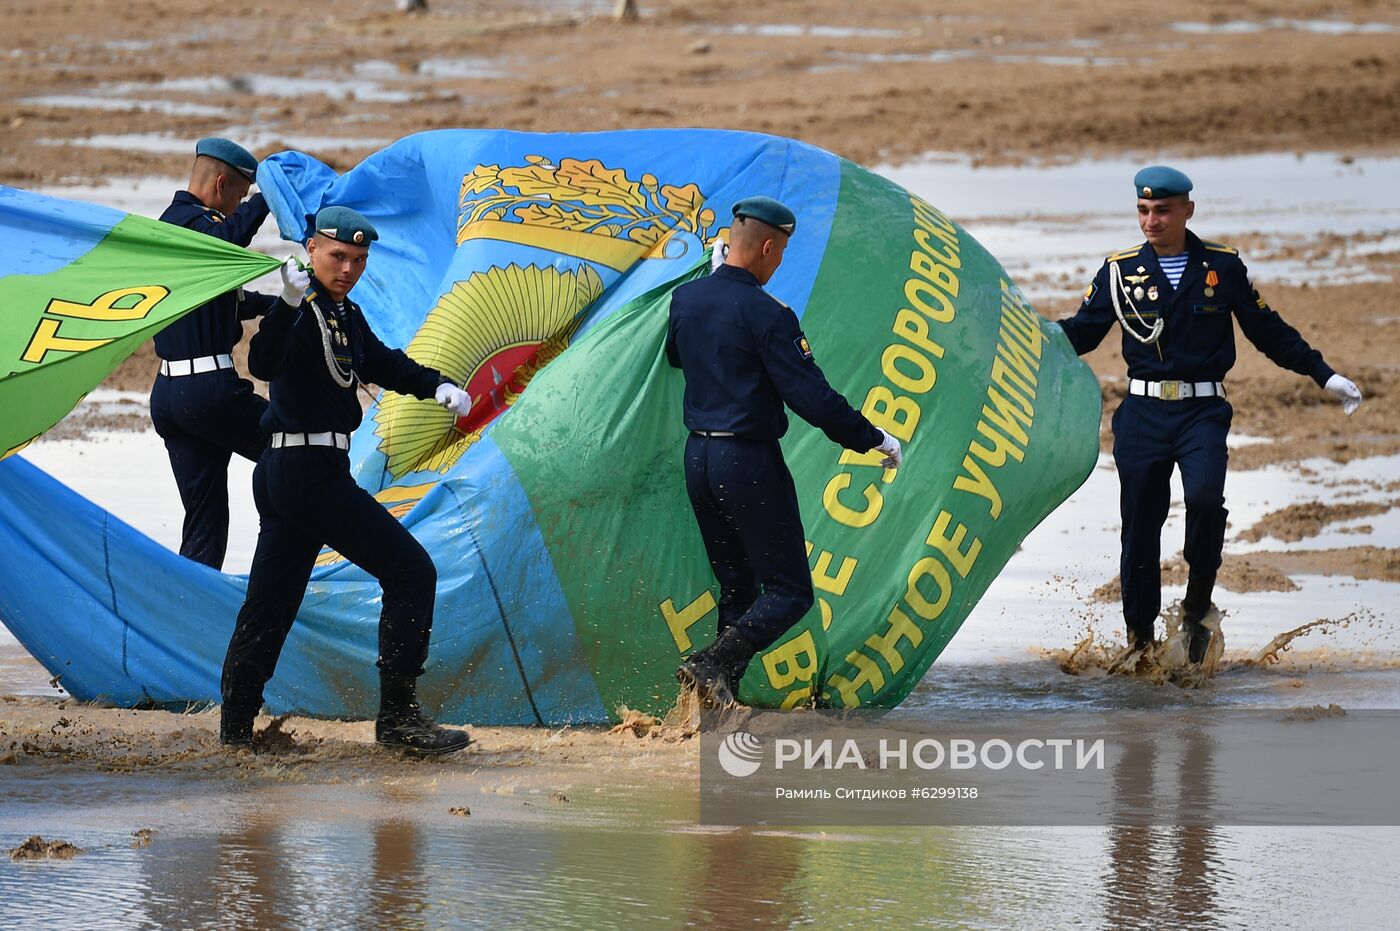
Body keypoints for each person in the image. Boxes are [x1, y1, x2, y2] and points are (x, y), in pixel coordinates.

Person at [1057, 166, 1363, 662]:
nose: (1151, 221)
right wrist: (1025, 337)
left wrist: (1322, 373)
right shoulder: (1119, 272)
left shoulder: (1222, 267)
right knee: (1139, 527)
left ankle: (1197, 609)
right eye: (1143, 210)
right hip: (1141, 413)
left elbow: (1267, 329)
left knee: (1203, 500)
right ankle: (1140, 643)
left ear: (1187, 211)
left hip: (1202, 412)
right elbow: (1081, 333)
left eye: (1162, 210)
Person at [219, 206, 475, 754]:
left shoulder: (344, 314)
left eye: (359, 260)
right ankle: (399, 720)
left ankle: (235, 732)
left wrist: (437, 386)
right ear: (311, 249)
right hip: (305, 472)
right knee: (411, 572)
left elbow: (382, 362)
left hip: (300, 474)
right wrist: (285, 303)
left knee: (271, 603)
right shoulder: (298, 308)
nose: (348, 268)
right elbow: (263, 363)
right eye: (338, 256)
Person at [666, 196, 902, 706]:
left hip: (698, 459)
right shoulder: (769, 314)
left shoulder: (686, 299)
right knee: (790, 592)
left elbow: (676, 357)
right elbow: (812, 398)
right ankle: (711, 664)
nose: (779, 263)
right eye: (782, 253)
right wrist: (873, 438)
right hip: (746, 462)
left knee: (737, 587)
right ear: (768, 246)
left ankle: (715, 700)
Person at [152, 138, 279, 569]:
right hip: (207, 392)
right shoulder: (190, 227)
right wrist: (265, 201)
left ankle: (183, 617)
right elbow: (228, 239)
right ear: (222, 183)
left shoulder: (170, 230)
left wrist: (284, 304)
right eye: (238, 197)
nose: (236, 206)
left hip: (171, 394)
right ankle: (281, 574)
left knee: (205, 524)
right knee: (295, 452)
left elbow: (230, 304)